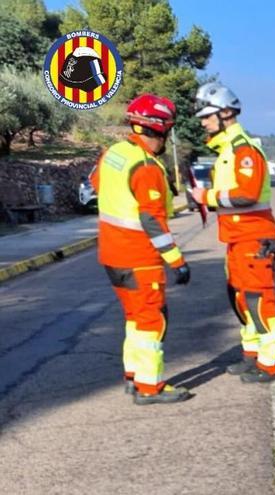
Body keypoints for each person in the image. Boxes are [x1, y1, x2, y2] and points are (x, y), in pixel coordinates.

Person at [92, 93, 192, 405]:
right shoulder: (146, 166)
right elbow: (150, 219)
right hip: (139, 257)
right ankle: (150, 386)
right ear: (158, 130)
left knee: (135, 318)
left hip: (112, 254)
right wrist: (176, 261)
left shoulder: (114, 154)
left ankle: (134, 376)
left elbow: (97, 184)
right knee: (152, 320)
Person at [190, 82, 275, 383]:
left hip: (253, 237)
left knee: (259, 300)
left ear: (226, 113)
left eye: (207, 116)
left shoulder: (243, 150)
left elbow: (246, 194)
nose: (203, 122)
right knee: (242, 299)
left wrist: (205, 197)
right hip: (236, 238)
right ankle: (252, 355)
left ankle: (271, 364)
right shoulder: (228, 151)